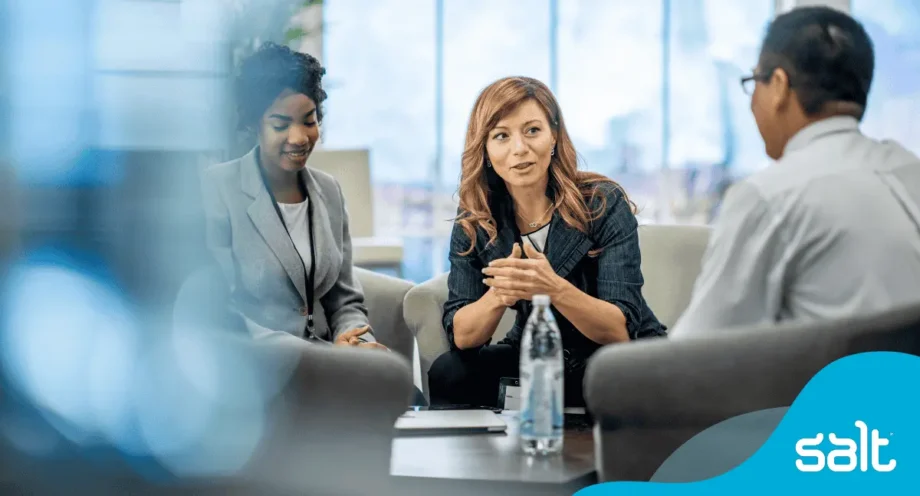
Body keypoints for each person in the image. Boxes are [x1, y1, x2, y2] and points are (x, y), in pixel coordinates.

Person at [670, 6, 920, 337]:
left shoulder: (770, 197)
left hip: (831, 387)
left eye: (753, 81)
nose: (751, 103)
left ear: (777, 85)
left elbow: (694, 355)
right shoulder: (908, 171)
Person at [428, 76, 667, 408]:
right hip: (538, 355)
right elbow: (464, 336)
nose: (519, 149)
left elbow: (619, 329)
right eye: (501, 136)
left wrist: (552, 288)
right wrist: (500, 294)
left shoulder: (601, 201)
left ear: (554, 136)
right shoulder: (476, 217)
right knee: (449, 373)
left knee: (615, 381)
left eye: (532, 131)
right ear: (485, 150)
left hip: (615, 360)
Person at [199, 42, 384, 350]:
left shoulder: (329, 191)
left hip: (327, 361)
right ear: (253, 123)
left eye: (309, 121)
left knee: (403, 390)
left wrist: (354, 339)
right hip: (259, 366)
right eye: (280, 124)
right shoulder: (218, 188)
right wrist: (307, 355)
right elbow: (219, 309)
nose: (299, 138)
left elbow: (345, 301)